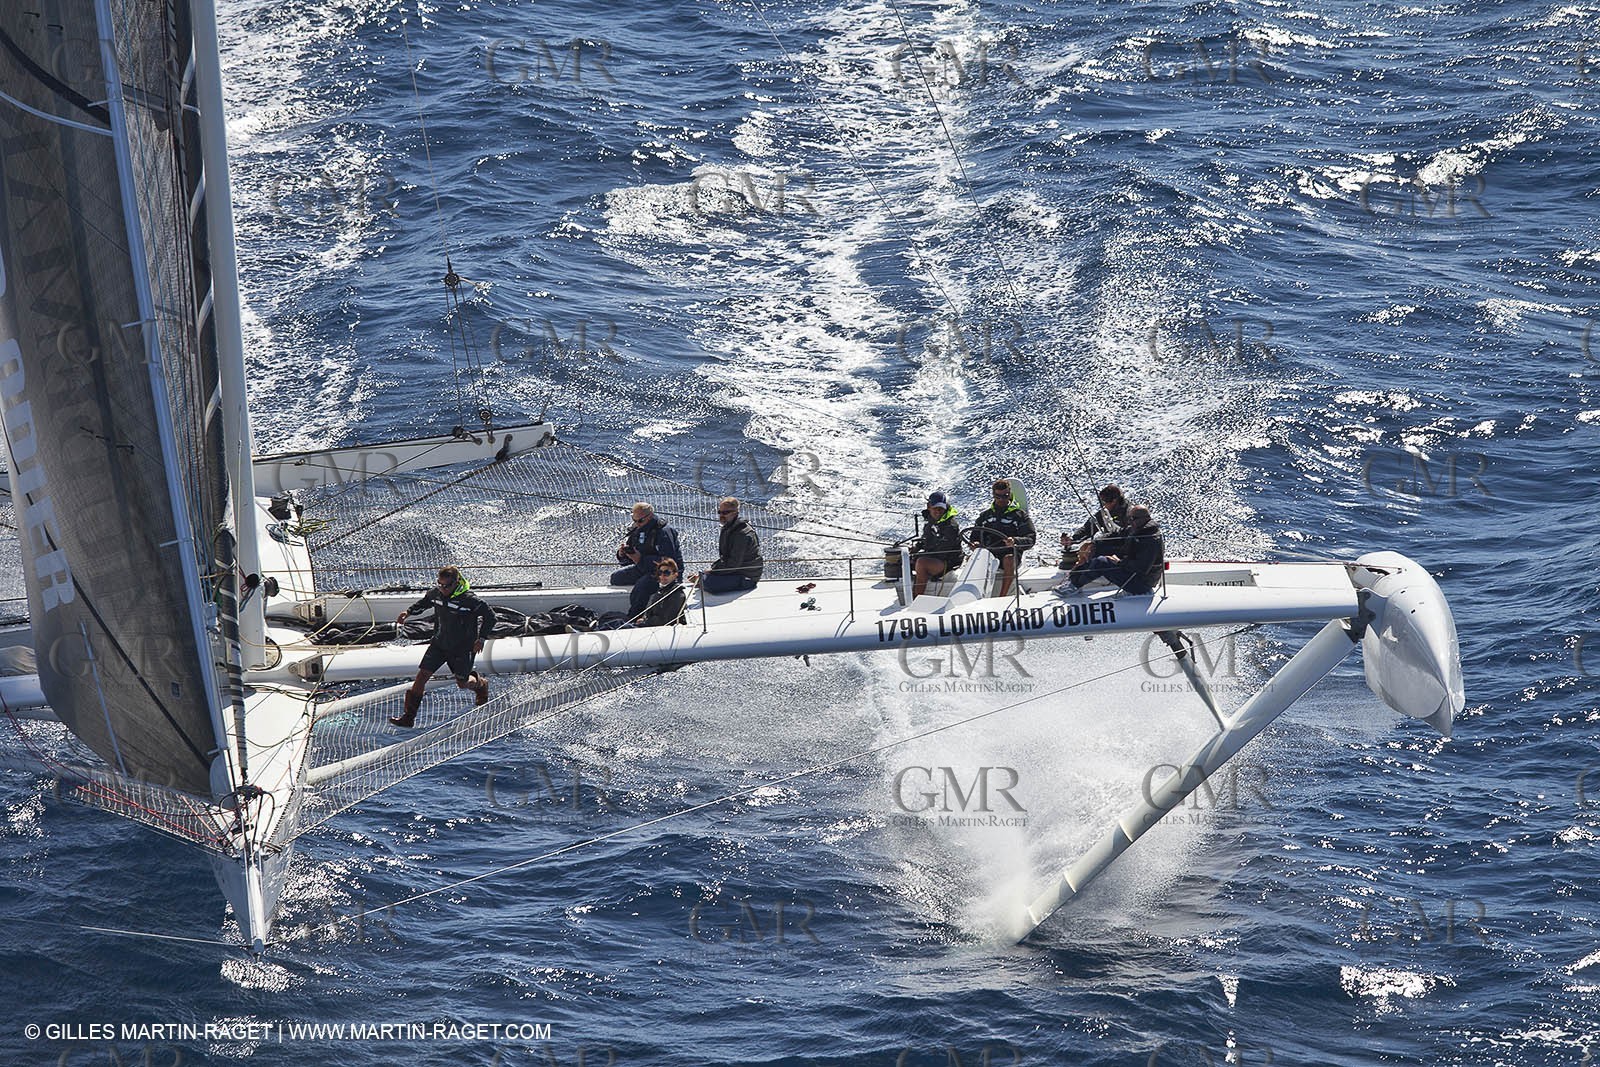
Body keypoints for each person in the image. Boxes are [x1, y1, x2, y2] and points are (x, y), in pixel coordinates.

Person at [390, 565, 497, 728]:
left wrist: (481, 639)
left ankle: (481, 684)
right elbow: (425, 602)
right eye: (440, 584)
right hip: (439, 644)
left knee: (462, 683)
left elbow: (491, 617)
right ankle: (408, 717)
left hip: (462, 648)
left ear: (456, 583)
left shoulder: (471, 600)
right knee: (422, 676)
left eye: (446, 585)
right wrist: (408, 612)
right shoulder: (437, 593)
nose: (442, 588)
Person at [1066, 505, 1164, 595]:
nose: (1130, 521)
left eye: (1133, 519)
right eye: (1129, 518)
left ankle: (1074, 586)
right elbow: (1117, 534)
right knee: (1099, 549)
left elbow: (1141, 567)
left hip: (1141, 583)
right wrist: (1094, 543)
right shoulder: (1136, 529)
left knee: (1101, 562)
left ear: (1146, 519)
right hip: (1132, 574)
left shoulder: (1150, 539)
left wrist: (1118, 562)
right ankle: (1072, 580)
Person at [611, 502, 683, 619]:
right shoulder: (637, 529)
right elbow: (629, 559)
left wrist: (640, 559)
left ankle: (634, 617)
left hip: (664, 573)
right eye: (634, 520)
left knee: (641, 587)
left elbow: (669, 561)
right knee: (616, 578)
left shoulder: (664, 531)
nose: (636, 524)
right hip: (643, 567)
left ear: (649, 517)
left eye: (639, 521)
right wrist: (623, 554)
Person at [967, 479, 1035, 598]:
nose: (1002, 499)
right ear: (993, 495)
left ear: (1010, 494)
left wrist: (1015, 541)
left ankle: (1002, 596)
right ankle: (972, 597)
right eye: (998, 496)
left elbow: (1030, 539)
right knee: (971, 560)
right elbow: (974, 537)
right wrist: (974, 544)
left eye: (1005, 496)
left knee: (1008, 559)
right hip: (989, 554)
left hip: (1011, 554)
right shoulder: (984, 516)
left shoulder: (1020, 515)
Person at [695, 497, 763, 595]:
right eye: (720, 512)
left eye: (725, 513)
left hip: (747, 577)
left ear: (735, 512)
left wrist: (712, 572)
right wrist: (711, 570)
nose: (721, 515)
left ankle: (701, 580)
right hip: (736, 572)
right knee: (704, 577)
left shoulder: (742, 534)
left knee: (709, 583)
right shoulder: (728, 527)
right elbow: (726, 558)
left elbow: (733, 564)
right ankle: (702, 579)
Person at [1061, 484, 1129, 569]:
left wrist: (1098, 542)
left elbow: (1126, 535)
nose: (1103, 505)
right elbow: (1088, 528)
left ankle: (1081, 575)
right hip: (1112, 543)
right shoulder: (1106, 512)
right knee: (1085, 547)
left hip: (1127, 548)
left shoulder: (1129, 513)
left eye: (1104, 502)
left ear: (1114, 500)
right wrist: (1073, 538)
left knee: (1092, 549)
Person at [911, 490, 962, 597]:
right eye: (935, 508)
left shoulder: (951, 526)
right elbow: (925, 539)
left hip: (948, 562)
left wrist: (920, 555)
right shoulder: (930, 521)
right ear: (929, 506)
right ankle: (908, 593)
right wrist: (914, 549)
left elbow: (943, 550)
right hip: (935, 557)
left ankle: (916, 599)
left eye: (941, 508)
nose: (938, 511)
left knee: (921, 563)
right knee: (905, 560)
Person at [639, 558, 687, 627]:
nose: (662, 576)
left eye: (666, 573)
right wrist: (643, 619)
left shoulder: (678, 595)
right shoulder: (658, 593)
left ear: (675, 575)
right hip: (649, 627)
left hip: (661, 630)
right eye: (660, 573)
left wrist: (646, 621)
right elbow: (648, 613)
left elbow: (666, 620)